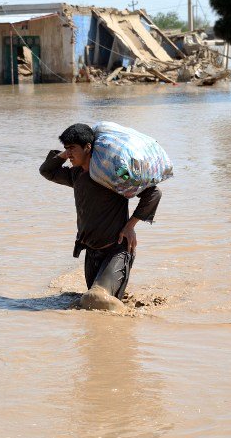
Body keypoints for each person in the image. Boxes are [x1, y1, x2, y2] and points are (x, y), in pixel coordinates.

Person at [39, 123, 162, 304]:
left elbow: (153, 193)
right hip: (92, 252)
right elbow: (47, 171)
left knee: (96, 298)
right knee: (93, 300)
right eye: (66, 149)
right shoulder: (75, 175)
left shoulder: (112, 175)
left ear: (88, 147)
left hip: (117, 250)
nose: (68, 154)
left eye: (72, 148)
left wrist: (130, 226)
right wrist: (67, 153)